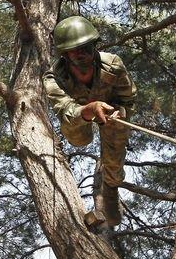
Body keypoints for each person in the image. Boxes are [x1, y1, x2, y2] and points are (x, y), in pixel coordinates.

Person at [43, 16, 136, 227]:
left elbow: (128, 99)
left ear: (94, 45)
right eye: (75, 49)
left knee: (115, 148)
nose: (82, 53)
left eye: (86, 47)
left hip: (110, 115)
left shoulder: (113, 65)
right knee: (79, 140)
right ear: (65, 54)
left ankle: (111, 189)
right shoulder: (53, 78)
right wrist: (88, 110)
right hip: (76, 116)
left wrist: (119, 112)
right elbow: (64, 110)